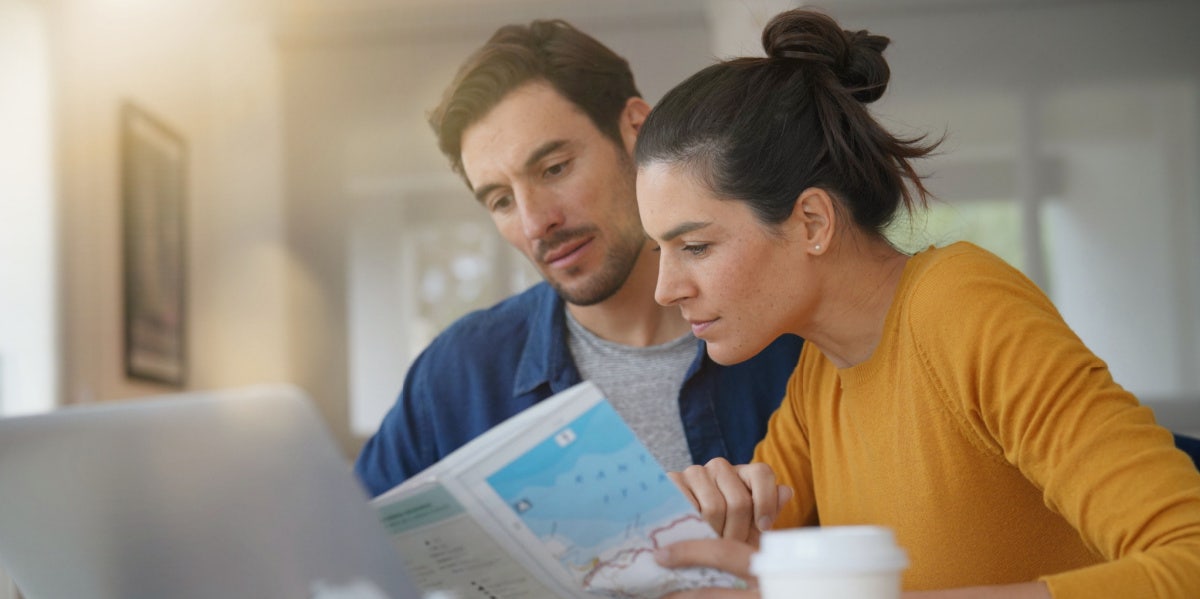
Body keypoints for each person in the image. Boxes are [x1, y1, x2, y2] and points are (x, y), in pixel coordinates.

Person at [633, 7, 1200, 598]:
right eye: (660, 251)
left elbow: (1190, 561)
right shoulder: (819, 375)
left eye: (695, 246)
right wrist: (721, 535)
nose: (665, 288)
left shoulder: (961, 308)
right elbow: (763, 562)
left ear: (810, 222)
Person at [353, 19, 804, 497]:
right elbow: (352, 554)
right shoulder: (457, 376)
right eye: (501, 201)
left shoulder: (792, 341)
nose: (534, 224)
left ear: (635, 128)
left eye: (554, 168)